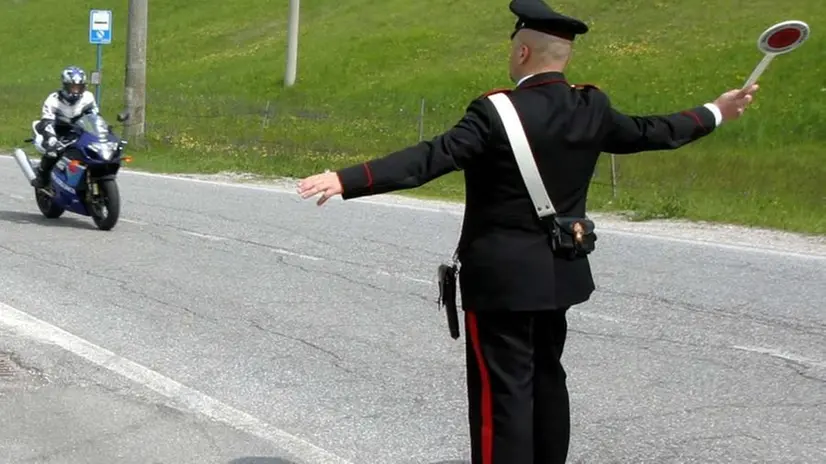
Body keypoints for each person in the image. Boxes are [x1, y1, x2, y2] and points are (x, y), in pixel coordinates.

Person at [297, 0, 758, 462]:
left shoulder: (494, 112)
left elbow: (430, 158)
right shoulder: (592, 106)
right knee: (547, 379)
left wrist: (348, 179)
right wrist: (714, 112)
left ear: (521, 53)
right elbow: (653, 131)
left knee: (503, 396)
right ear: (564, 56)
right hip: (561, 271)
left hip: (501, 283)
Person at [30, 65, 99, 189]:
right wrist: (51, 140)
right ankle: (42, 176)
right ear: (65, 85)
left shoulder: (88, 97)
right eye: (73, 87)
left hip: (78, 130)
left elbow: (95, 116)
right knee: (53, 153)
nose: (76, 91)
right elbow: (47, 121)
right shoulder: (53, 100)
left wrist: (102, 132)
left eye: (79, 87)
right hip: (57, 131)